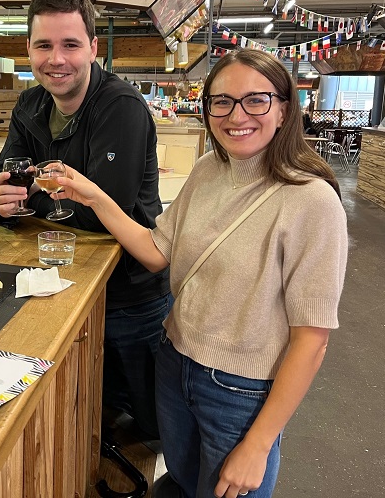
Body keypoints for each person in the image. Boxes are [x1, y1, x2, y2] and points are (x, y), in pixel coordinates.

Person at [56, 49, 348, 498]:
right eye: (222, 101)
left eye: (256, 100)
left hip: (240, 391)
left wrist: (259, 444)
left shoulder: (312, 200)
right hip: (174, 363)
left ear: (285, 109)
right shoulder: (208, 169)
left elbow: (312, 340)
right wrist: (94, 196)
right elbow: (157, 252)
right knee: (183, 481)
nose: (237, 116)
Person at [0, 0, 171, 440]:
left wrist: (30, 199)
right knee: (82, 417)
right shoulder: (30, 105)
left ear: (93, 47)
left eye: (70, 44)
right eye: (43, 45)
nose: (56, 59)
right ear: (28, 49)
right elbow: (4, 179)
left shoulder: (121, 108)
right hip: (60, 283)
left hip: (126, 295)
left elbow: (101, 212)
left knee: (148, 427)